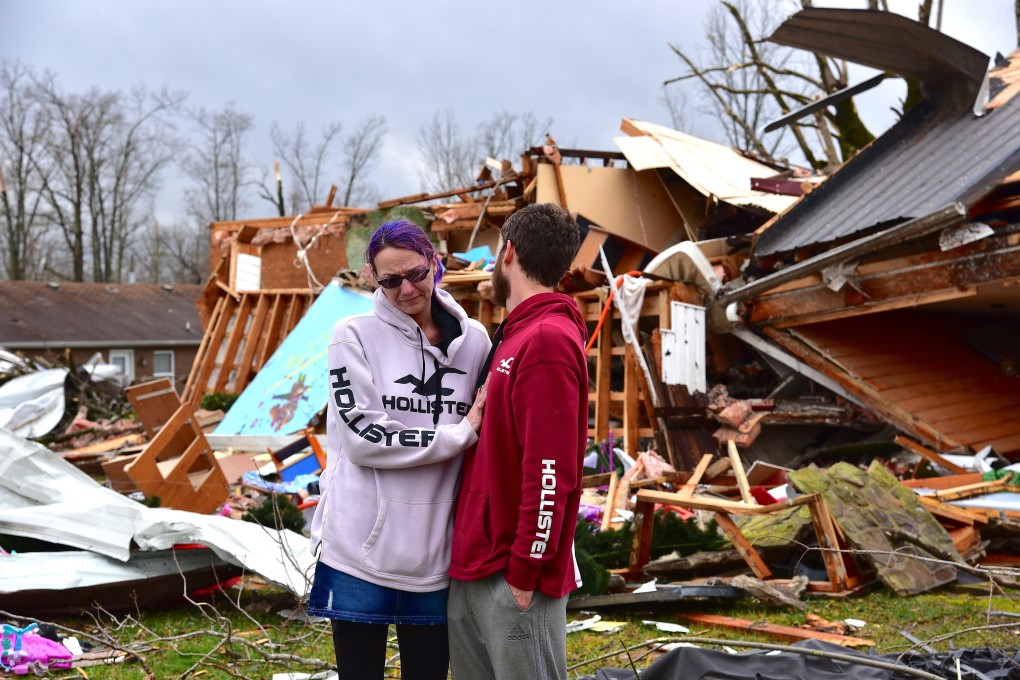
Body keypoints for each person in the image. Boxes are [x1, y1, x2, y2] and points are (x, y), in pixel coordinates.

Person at [308, 219, 491, 680]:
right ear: (373, 278)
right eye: (391, 281)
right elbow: (364, 439)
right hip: (358, 549)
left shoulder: (476, 344)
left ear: (436, 264)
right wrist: (458, 433)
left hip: (434, 554)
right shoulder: (352, 335)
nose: (407, 289)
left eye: (416, 274)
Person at [447, 203, 588, 680]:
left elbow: (552, 473)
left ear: (507, 253)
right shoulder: (515, 336)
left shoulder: (548, 340)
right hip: (477, 565)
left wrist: (525, 573)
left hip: (515, 579)